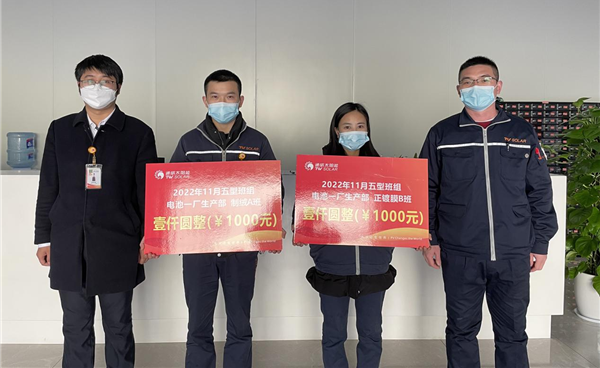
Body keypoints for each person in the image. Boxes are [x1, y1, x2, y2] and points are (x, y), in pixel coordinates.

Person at [418, 56, 558, 368]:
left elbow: (539, 190)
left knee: (512, 333)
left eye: (484, 80)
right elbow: (427, 188)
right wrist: (430, 238)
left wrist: (541, 243)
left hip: (513, 252)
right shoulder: (442, 134)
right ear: (458, 89)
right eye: (468, 81)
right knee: (460, 330)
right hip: (460, 251)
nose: (476, 86)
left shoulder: (522, 132)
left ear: (498, 86)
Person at [34, 54, 158, 368]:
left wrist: (150, 237)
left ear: (118, 87)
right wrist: (44, 239)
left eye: (106, 81)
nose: (97, 87)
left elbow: (146, 191)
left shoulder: (137, 133)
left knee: (118, 325)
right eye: (90, 81)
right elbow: (48, 186)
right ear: (79, 85)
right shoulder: (61, 130)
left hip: (119, 242)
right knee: (75, 327)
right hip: (68, 242)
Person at [171, 69, 284, 368]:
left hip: (241, 249)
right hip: (198, 249)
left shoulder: (257, 142)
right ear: (205, 100)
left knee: (240, 324)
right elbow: (171, 190)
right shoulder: (189, 142)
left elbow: (274, 188)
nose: (223, 103)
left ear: (240, 100)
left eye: (229, 97)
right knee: (198, 325)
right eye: (216, 97)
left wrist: (272, 227)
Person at [294, 102, 396, 368]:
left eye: (360, 126)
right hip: (332, 265)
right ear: (336, 131)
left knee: (371, 334)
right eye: (347, 127)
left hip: (373, 265)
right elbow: (302, 213)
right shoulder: (318, 169)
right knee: (333, 334)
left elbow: (397, 211)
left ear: (368, 130)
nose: (354, 132)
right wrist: (301, 229)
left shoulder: (385, 170)